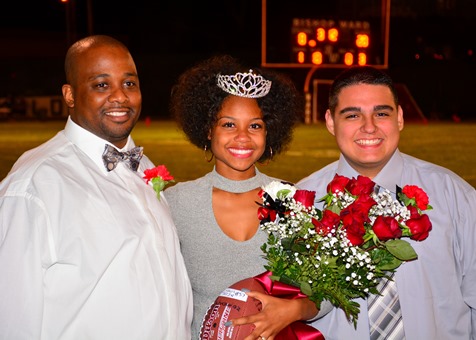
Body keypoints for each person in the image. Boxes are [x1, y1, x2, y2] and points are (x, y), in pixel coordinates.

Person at [0, 35, 192, 339]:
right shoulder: (34, 186)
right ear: (70, 95)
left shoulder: (141, 164)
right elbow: (11, 319)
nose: (120, 96)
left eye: (129, 83)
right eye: (101, 85)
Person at [298, 65, 476, 339]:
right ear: (331, 122)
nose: (369, 127)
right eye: (352, 115)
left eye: (381, 113)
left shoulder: (454, 195)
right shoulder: (303, 206)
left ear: (400, 117)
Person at [164, 54, 331, 340]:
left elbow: (327, 290)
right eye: (229, 124)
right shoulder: (178, 202)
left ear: (269, 133)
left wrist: (293, 311)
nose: (243, 137)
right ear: (208, 129)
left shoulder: (289, 199)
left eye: (255, 126)